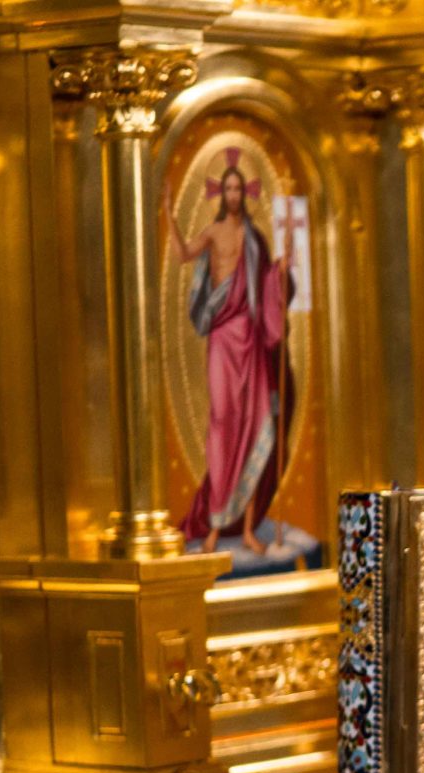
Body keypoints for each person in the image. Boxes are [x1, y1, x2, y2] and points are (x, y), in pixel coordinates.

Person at [166, 153, 294, 556]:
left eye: (240, 188)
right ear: (222, 194)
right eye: (230, 188)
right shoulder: (214, 231)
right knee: (223, 425)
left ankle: (249, 527)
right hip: (223, 336)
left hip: (251, 338)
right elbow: (185, 254)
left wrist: (285, 258)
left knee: (257, 425)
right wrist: (168, 214)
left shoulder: (255, 238)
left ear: (245, 193)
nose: (236, 194)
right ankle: (217, 527)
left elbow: (270, 278)